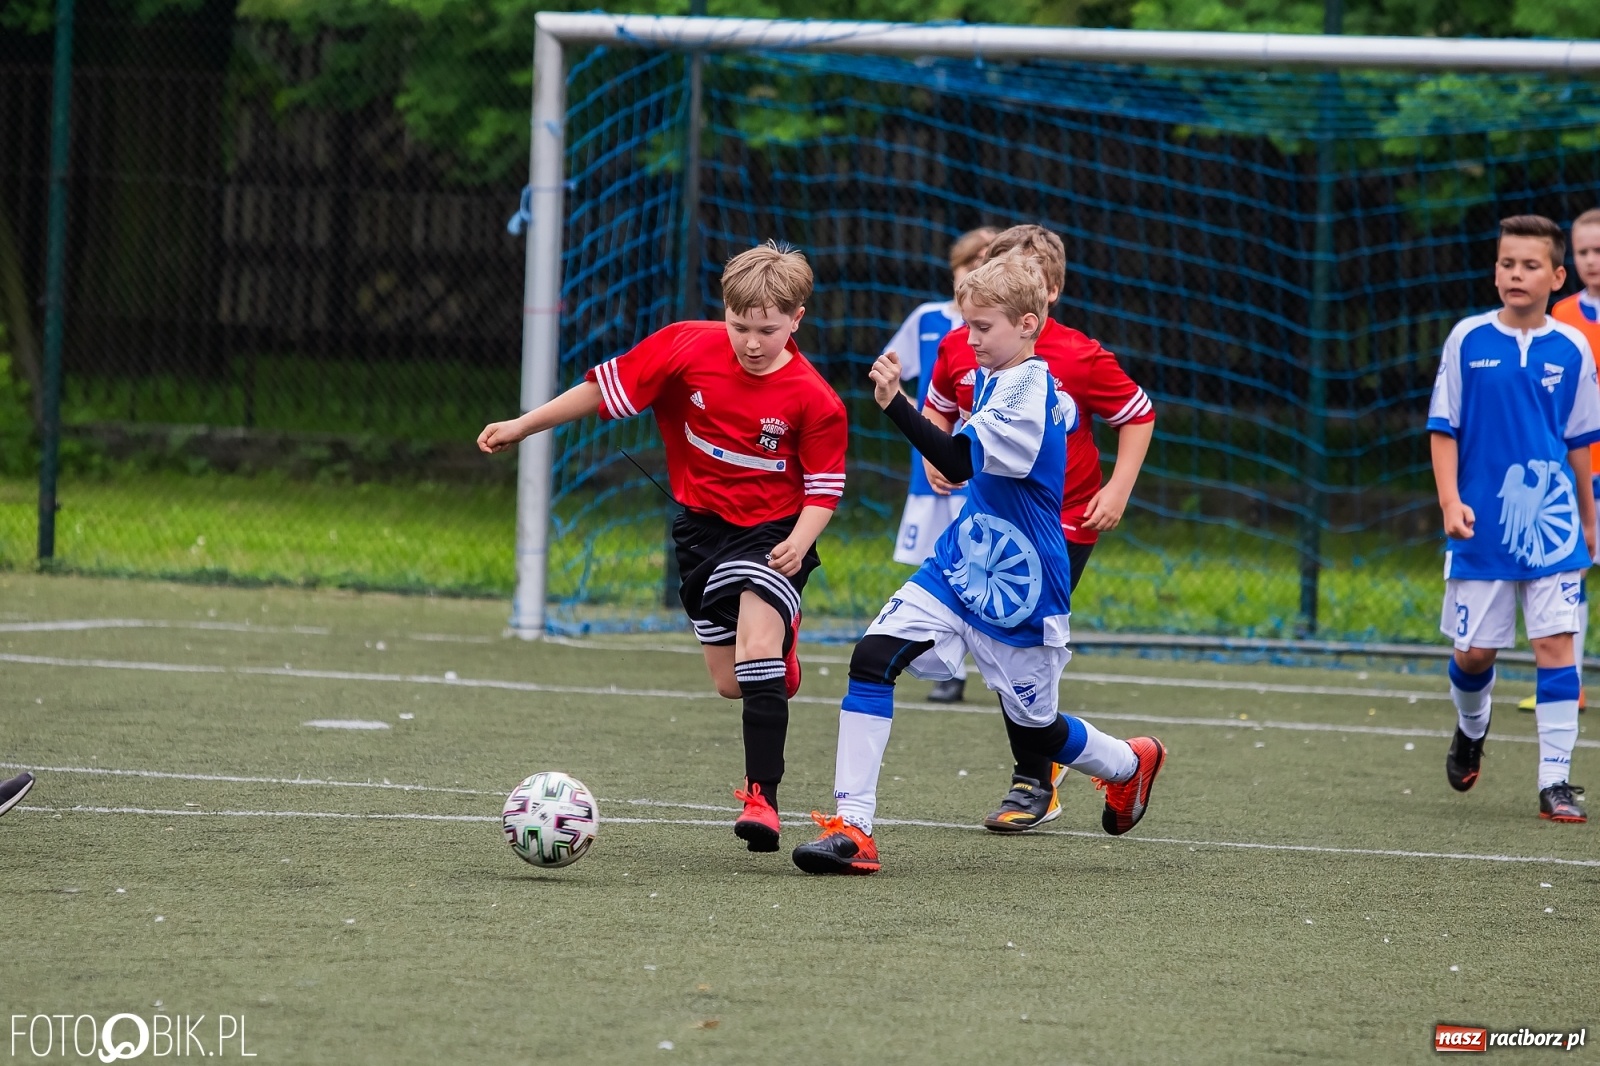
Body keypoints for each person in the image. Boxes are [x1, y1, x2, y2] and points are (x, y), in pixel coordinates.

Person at [790, 255, 1166, 875]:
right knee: (871, 658)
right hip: (965, 561)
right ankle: (853, 828)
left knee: (1038, 733)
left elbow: (960, 461)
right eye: (966, 327)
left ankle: (1129, 763)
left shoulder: (1026, 386)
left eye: (982, 328)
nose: (969, 341)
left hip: (1022, 584)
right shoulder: (997, 372)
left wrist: (894, 404)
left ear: (1027, 324)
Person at [478, 241, 849, 852]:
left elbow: (825, 488)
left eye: (767, 330)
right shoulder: (685, 345)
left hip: (775, 532)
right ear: (722, 313)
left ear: (796, 320)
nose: (752, 342)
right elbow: (602, 390)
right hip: (700, 529)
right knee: (733, 682)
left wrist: (799, 543)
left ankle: (763, 799)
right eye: (740, 327)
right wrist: (523, 424)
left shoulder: (814, 398)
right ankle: (779, 662)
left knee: (758, 638)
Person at [924, 224, 1155, 822]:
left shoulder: (1078, 354)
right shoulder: (963, 344)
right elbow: (939, 408)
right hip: (992, 526)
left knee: (1015, 641)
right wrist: (935, 455)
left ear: (1048, 293)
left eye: (1028, 275)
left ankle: (1034, 780)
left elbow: (1138, 413)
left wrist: (1117, 487)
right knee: (1002, 643)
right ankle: (1073, 764)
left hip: (1062, 527)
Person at [1428, 214, 1600, 824]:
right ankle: (1472, 728)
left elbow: (1579, 440)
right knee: (1475, 654)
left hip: (1552, 529)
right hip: (1482, 527)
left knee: (1558, 645)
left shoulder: (1572, 347)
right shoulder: (1468, 339)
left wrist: (1587, 515)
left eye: (1530, 265)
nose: (1515, 275)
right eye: (1507, 263)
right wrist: (1450, 500)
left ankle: (1555, 783)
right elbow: (1442, 428)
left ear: (1557, 275)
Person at [883, 226, 996, 703]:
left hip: (980, 473)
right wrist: (918, 419)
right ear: (954, 270)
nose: (975, 273)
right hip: (931, 472)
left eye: (986, 264)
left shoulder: (1004, 330)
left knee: (976, 568)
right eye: (969, 264)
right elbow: (891, 367)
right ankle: (943, 663)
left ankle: (976, 667)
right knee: (934, 565)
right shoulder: (929, 319)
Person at [1519, 208, 1600, 716]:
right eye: (1586, 251)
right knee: (1573, 577)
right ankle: (1570, 683)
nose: (1594, 260)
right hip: (1575, 475)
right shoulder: (1559, 321)